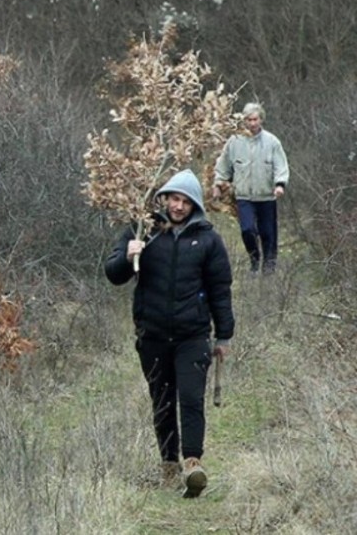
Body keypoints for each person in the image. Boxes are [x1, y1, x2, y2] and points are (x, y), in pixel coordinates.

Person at [105, 169, 234, 498]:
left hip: (193, 335)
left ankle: (192, 464)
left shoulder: (208, 240)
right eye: (174, 199)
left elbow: (220, 290)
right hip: (152, 335)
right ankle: (168, 466)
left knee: (191, 398)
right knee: (162, 402)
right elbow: (113, 274)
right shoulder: (143, 230)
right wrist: (128, 255)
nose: (178, 206)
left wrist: (224, 336)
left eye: (186, 202)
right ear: (164, 199)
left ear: (195, 205)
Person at [212, 102, 289, 274]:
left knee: (268, 233)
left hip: (266, 196)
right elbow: (223, 165)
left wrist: (280, 184)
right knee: (247, 230)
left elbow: (281, 166)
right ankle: (254, 260)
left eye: (255, 119)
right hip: (244, 196)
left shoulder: (272, 142)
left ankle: (269, 267)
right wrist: (218, 184)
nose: (252, 123)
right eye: (249, 120)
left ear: (261, 120)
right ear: (244, 121)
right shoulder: (234, 141)